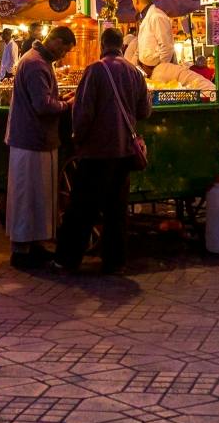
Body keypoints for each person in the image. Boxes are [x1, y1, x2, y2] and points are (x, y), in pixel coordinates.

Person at [55, 28, 152, 275]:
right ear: (121, 46)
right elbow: (144, 112)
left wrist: (78, 137)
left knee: (82, 207)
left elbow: (83, 112)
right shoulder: (135, 72)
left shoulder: (95, 70)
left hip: (96, 152)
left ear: (102, 44)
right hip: (123, 154)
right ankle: (115, 261)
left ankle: (68, 259)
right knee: (116, 209)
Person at [5, 26, 76, 270]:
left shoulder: (39, 60)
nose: (64, 55)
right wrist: (67, 105)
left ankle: (34, 245)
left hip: (37, 139)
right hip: (30, 139)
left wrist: (61, 101)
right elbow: (42, 105)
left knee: (38, 196)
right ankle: (22, 250)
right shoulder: (36, 64)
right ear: (55, 40)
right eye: (64, 48)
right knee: (28, 196)